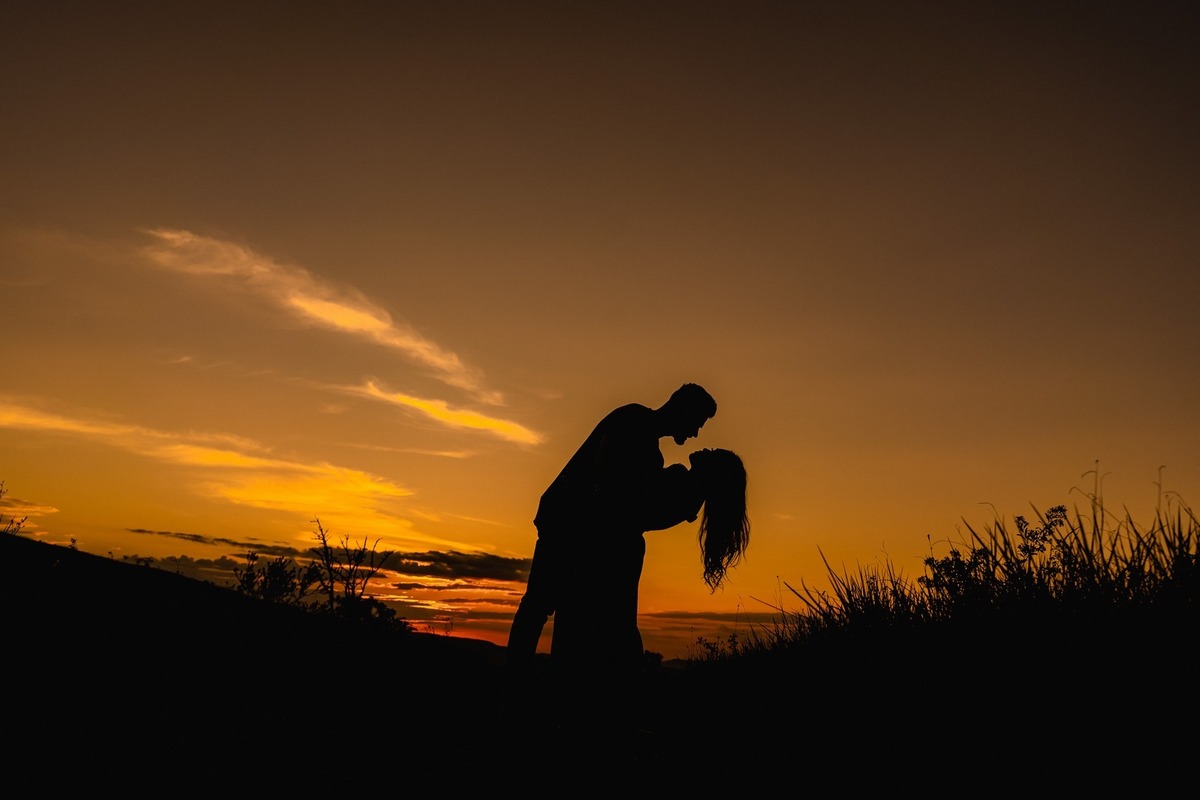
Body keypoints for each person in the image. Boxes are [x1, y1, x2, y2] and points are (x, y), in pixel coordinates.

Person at [505, 383, 718, 675]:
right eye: (697, 422)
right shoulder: (633, 421)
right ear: (683, 409)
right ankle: (514, 685)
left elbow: (634, 505)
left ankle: (526, 684)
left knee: (551, 610)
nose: (695, 433)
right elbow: (610, 486)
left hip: (576, 528)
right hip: (569, 527)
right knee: (539, 606)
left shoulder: (648, 445)